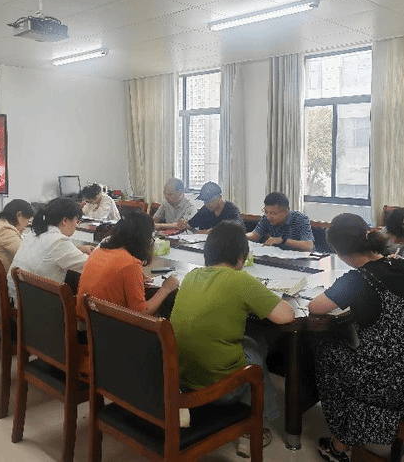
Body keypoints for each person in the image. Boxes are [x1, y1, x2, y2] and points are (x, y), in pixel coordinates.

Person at [308, 213, 404, 461]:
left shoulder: (358, 279)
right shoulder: (403, 265)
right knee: (357, 346)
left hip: (388, 385)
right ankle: (352, 430)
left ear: (339, 252)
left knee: (327, 350)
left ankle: (342, 439)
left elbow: (315, 307)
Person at [170, 221, 295, 456]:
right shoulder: (241, 280)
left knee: (248, 340)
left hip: (182, 380)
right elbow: (286, 316)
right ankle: (253, 426)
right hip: (222, 392)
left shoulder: (191, 276)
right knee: (258, 344)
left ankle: (256, 419)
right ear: (241, 257)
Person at [76, 211, 178, 317]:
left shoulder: (99, 251)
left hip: (87, 318)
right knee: (167, 306)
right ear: (142, 239)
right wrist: (166, 289)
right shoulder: (130, 264)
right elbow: (141, 312)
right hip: (106, 324)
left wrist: (135, 280)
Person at [8, 197, 91, 300]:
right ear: (65, 220)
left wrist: (79, 249)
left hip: (18, 298)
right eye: (77, 221)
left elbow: (51, 251)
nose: (76, 226)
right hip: (39, 302)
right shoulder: (59, 242)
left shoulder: (34, 233)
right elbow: (89, 266)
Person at [246, 192, 314, 251]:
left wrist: (283, 240)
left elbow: (309, 245)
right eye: (266, 212)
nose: (269, 217)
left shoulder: (300, 219)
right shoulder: (266, 218)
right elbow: (255, 235)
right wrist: (241, 236)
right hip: (277, 257)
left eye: (273, 213)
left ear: (285, 212)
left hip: (298, 259)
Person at [177, 181, 243, 233]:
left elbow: (235, 232)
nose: (206, 204)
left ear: (219, 197)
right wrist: (184, 224)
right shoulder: (206, 209)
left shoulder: (231, 210)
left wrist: (204, 232)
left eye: (209, 201)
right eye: (205, 201)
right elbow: (191, 224)